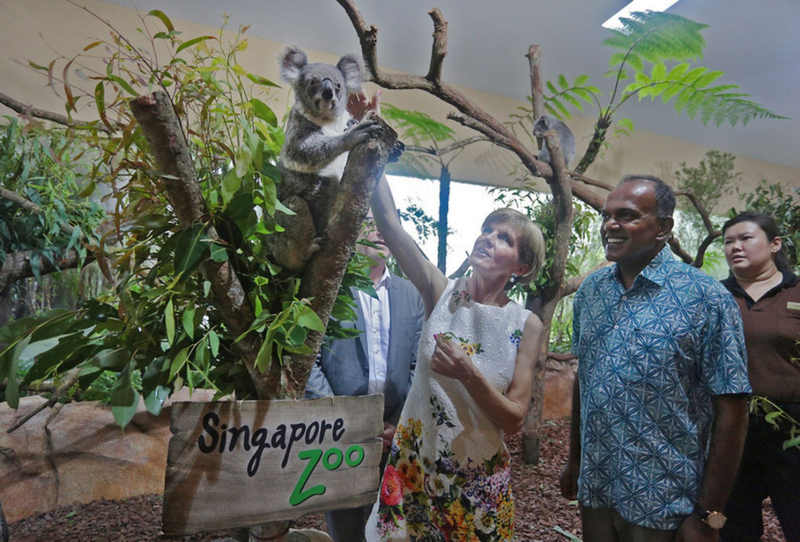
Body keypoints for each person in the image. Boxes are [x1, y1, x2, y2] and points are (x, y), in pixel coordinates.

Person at [560, 175, 751, 542]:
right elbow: (586, 379)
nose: (610, 225)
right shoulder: (591, 292)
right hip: (597, 486)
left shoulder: (705, 298)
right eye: (606, 215)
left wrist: (709, 512)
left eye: (627, 215)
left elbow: (733, 407)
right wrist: (575, 460)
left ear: (663, 227)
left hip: (663, 496)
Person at [362, 173, 546, 542]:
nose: (488, 238)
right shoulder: (440, 291)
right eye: (487, 229)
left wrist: (468, 374)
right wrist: (375, 152)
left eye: (504, 238)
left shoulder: (526, 325)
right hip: (414, 470)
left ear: (521, 268)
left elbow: (514, 418)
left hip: (475, 486)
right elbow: (391, 226)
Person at [305, 214, 425, 542]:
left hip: (393, 436)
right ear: (351, 230)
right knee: (346, 530)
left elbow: (417, 368)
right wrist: (343, 423)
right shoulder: (328, 288)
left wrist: (398, 424)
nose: (381, 231)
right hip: (339, 437)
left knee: (392, 530)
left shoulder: (410, 295)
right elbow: (309, 362)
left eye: (386, 224)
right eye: (370, 223)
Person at [718, 212, 800, 542]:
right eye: (728, 241)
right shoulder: (714, 297)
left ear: (774, 244)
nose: (735, 247)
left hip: (791, 428)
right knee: (734, 527)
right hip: (729, 427)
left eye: (745, 238)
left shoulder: (796, 291)